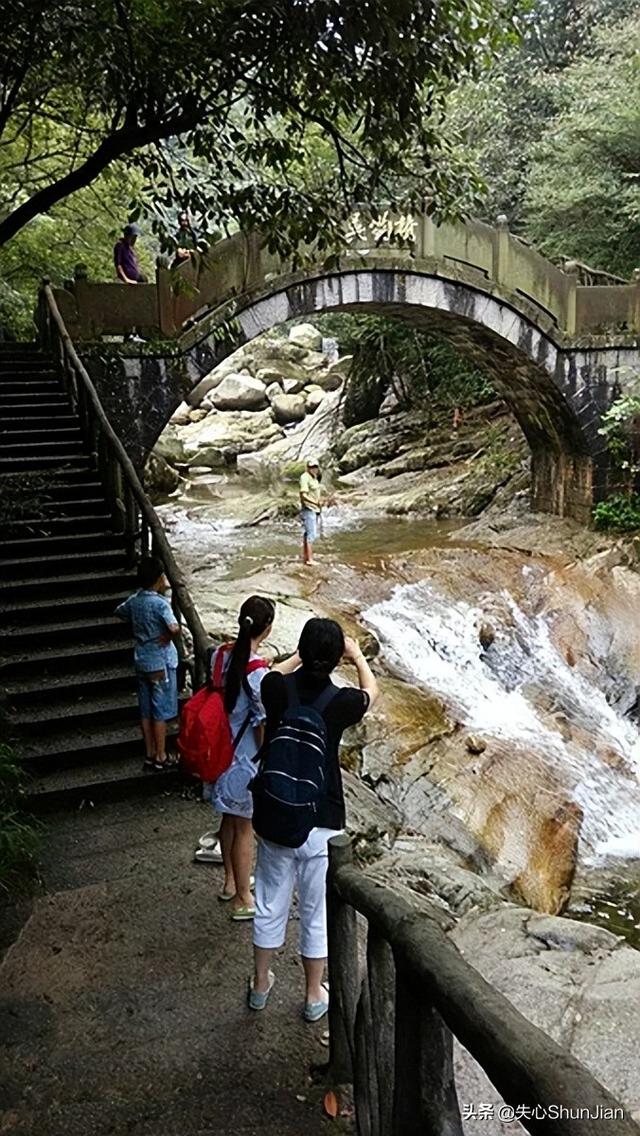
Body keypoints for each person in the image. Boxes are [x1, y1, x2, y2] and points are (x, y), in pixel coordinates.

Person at [249, 618, 378, 1019]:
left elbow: (271, 673)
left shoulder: (274, 689)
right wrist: (356, 656)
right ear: (336, 656)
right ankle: (312, 995)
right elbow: (372, 692)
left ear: (302, 650)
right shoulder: (340, 703)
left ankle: (259, 985)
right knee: (316, 910)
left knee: (270, 901)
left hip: (275, 811)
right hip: (322, 818)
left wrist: (298, 657)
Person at [210, 596, 275, 921]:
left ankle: (229, 882)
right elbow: (261, 722)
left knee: (227, 821)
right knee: (245, 828)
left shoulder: (220, 654)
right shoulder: (257, 672)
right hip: (244, 760)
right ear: (268, 628)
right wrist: (267, 759)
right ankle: (243, 898)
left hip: (220, 753)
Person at [115, 556, 180, 771]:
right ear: (160, 579)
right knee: (160, 710)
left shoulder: (135, 600)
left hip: (142, 659)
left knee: (145, 710)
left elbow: (119, 612)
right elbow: (173, 628)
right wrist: (166, 637)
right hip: (161, 662)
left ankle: (150, 752)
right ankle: (161, 755)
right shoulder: (160, 604)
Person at [299, 458, 323, 566]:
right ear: (307, 468)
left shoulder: (315, 478)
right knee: (311, 534)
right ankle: (310, 559)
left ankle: (306, 557)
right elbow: (303, 495)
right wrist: (315, 502)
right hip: (309, 509)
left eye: (315, 467)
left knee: (307, 533)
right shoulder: (305, 477)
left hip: (315, 508)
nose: (314, 469)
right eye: (311, 467)